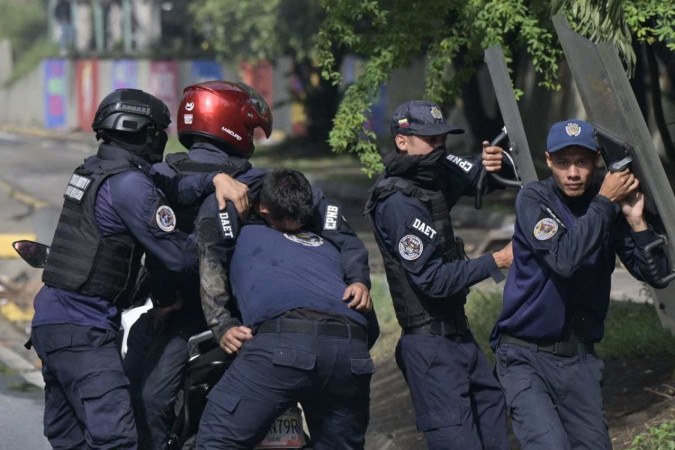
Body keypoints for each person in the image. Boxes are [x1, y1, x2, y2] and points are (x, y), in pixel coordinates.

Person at [123, 80, 372, 449]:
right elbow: (342, 233)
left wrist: (206, 316)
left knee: (144, 398)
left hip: (194, 319)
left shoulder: (157, 177)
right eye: (251, 129)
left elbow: (196, 256)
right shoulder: (260, 182)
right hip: (266, 324)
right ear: (233, 125)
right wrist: (359, 278)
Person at [29, 88, 233, 450]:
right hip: (85, 330)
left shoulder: (94, 170)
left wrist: (213, 179)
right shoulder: (130, 185)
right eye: (159, 132)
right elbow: (181, 257)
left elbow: (171, 186)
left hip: (50, 323)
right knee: (116, 439)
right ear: (146, 132)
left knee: (70, 437)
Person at [490, 119, 671, 450]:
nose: (573, 173)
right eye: (563, 163)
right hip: (524, 355)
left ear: (596, 162)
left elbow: (656, 274)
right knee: (549, 445)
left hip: (579, 359)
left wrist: (636, 220)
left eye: (582, 162)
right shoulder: (534, 199)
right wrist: (605, 201)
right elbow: (563, 260)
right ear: (548, 161)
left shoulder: (608, 209)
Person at [364, 100, 513, 450]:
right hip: (430, 346)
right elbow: (432, 280)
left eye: (442, 139)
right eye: (430, 140)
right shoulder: (398, 202)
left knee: (493, 413)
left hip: (460, 338)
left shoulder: (435, 172)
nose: (440, 147)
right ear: (403, 141)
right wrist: (498, 260)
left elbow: (480, 174)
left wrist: (496, 161)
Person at [196, 168, 379, 449]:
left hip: (284, 346)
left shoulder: (240, 232)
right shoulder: (326, 244)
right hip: (351, 348)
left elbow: (209, 265)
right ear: (263, 208)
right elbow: (372, 329)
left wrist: (222, 324)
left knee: (216, 439)